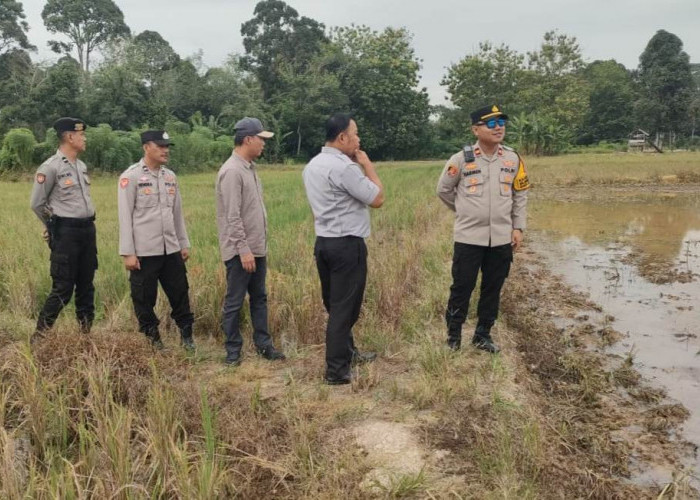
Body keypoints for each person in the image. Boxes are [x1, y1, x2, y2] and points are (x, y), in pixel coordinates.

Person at [436, 105, 530, 353]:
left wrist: (518, 227)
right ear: (475, 129)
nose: (498, 127)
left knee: (492, 289)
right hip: (469, 238)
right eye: (491, 123)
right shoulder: (461, 159)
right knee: (461, 288)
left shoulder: (513, 159)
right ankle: (453, 337)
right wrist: (465, 211)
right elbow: (443, 190)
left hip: (501, 239)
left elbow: (520, 193)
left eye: (501, 122)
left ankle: (482, 335)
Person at [302, 113, 385, 385]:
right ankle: (336, 371)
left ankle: (348, 353)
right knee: (344, 309)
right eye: (355, 134)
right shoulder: (344, 168)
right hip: (347, 245)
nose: (358, 139)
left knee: (335, 304)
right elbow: (377, 198)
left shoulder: (312, 165)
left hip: (324, 243)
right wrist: (367, 165)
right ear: (342, 137)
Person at [215, 117, 286, 365]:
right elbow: (232, 216)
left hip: (256, 248)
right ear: (248, 140)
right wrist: (244, 250)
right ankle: (232, 351)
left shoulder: (249, 168)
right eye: (261, 139)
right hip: (240, 251)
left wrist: (255, 248)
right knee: (234, 301)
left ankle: (264, 345)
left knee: (259, 297)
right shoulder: (232, 171)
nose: (264, 144)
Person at [117, 130, 195, 350]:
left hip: (170, 248)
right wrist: (128, 252)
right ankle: (153, 339)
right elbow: (125, 216)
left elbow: (177, 213)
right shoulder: (130, 177)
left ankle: (187, 336)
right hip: (144, 251)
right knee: (143, 298)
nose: (165, 150)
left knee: (180, 293)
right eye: (160, 146)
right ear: (146, 147)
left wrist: (183, 243)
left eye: (167, 146)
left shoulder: (170, 177)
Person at [29, 117, 97, 342]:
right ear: (69, 137)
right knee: (63, 288)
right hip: (66, 233)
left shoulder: (81, 165)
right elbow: (37, 203)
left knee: (86, 287)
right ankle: (39, 337)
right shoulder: (51, 167)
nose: (84, 138)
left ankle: (85, 336)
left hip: (87, 230)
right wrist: (52, 226)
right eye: (81, 135)